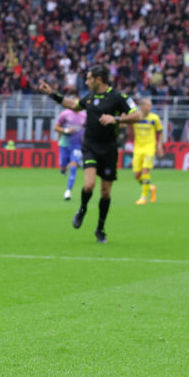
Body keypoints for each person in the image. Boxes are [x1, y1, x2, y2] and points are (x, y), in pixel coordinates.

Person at [38, 64, 142, 244]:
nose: (86, 81)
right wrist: (51, 93)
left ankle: (100, 229)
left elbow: (137, 115)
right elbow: (73, 105)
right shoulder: (90, 97)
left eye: (88, 78)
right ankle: (82, 209)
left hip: (109, 149)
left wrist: (115, 118)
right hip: (90, 146)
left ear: (98, 79)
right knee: (89, 185)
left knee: (105, 193)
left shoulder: (118, 97)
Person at [130, 98, 164, 205]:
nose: (151, 107)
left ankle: (143, 197)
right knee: (136, 175)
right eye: (149, 105)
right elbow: (124, 124)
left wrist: (159, 145)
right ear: (142, 106)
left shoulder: (155, 118)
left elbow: (160, 132)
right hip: (138, 149)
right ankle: (151, 188)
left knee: (145, 171)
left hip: (150, 148)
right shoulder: (136, 117)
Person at [53, 105, 86, 201]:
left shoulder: (84, 116)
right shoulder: (65, 114)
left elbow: (87, 128)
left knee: (73, 167)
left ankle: (68, 191)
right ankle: (63, 169)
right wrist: (66, 130)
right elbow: (55, 127)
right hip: (65, 144)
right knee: (63, 165)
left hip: (77, 146)